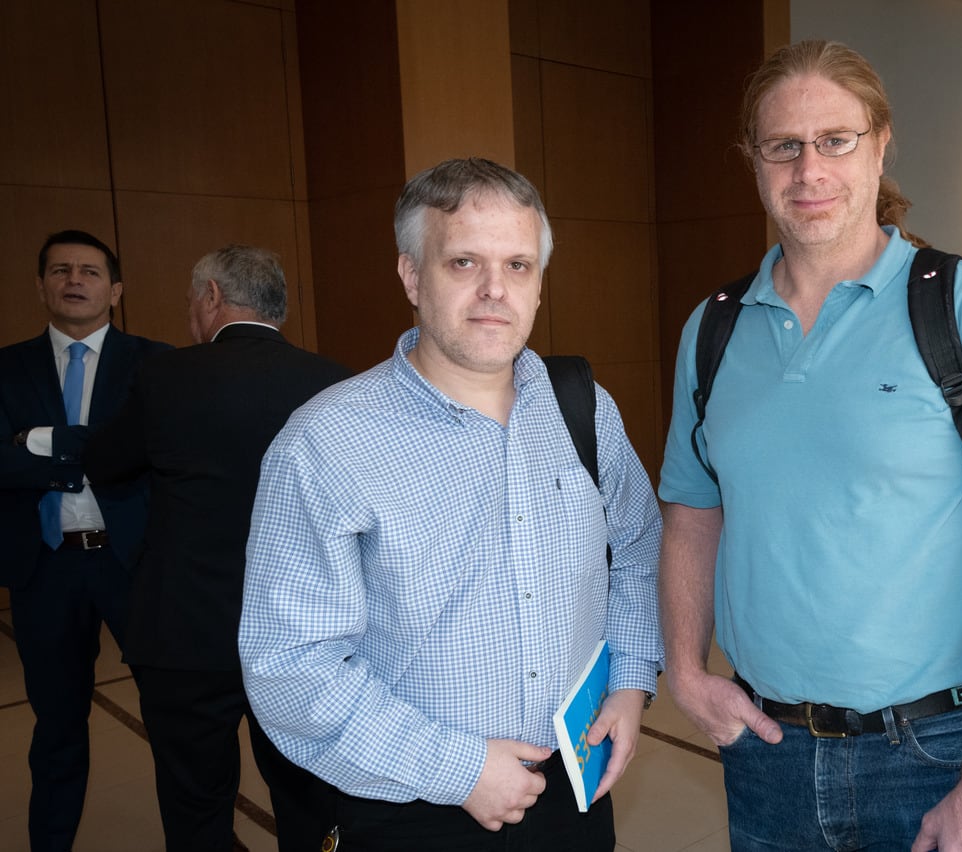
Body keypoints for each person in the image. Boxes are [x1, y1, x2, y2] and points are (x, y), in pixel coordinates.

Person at [659, 40, 962, 850]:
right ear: (753, 161)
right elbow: (691, 512)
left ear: (881, 144)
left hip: (936, 754)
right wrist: (685, 670)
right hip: (767, 753)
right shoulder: (713, 328)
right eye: (784, 146)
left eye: (835, 140)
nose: (808, 171)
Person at [238, 158, 663, 851]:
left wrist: (631, 680)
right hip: (413, 804)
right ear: (411, 275)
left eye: (519, 265)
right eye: (464, 262)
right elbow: (289, 665)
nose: (496, 289)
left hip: (573, 787)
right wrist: (459, 769)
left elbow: (641, 547)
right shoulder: (325, 444)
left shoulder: (584, 409)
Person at [81, 245, 351, 851]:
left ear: (211, 298)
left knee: (195, 802)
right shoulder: (335, 383)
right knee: (307, 798)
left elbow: (105, 463)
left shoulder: (167, 376)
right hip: (301, 634)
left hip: (184, 631)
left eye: (189, 303)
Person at [0, 230, 170, 852]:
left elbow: (157, 452)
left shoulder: (158, 363)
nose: (75, 280)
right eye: (61, 270)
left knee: (172, 721)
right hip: (45, 570)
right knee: (57, 727)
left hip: (136, 565)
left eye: (91, 271)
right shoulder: (5, 367)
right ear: (41, 286)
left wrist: (37, 441)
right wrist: (97, 448)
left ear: (115, 291)